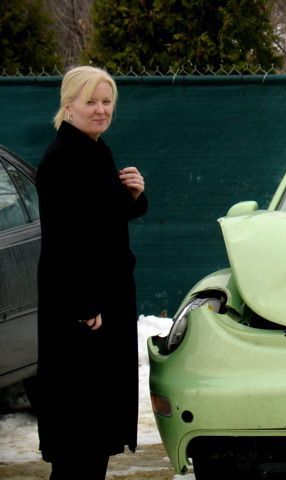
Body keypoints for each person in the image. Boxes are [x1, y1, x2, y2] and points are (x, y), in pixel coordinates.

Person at [35, 65, 148, 480]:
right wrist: (83, 305)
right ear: (68, 106)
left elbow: (100, 218)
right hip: (82, 312)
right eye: (91, 102)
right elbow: (65, 240)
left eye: (106, 102)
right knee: (78, 438)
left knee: (93, 437)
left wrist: (133, 194)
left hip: (103, 305)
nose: (101, 110)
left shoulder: (94, 150)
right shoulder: (63, 158)